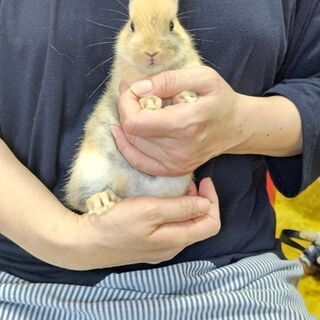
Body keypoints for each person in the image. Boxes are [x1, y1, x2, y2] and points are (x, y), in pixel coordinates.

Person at [0, 0, 319, 319]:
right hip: (28, 281)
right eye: (134, 29)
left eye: (169, 28)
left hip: (228, 280)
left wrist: (239, 124)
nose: (151, 50)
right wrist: (65, 239)